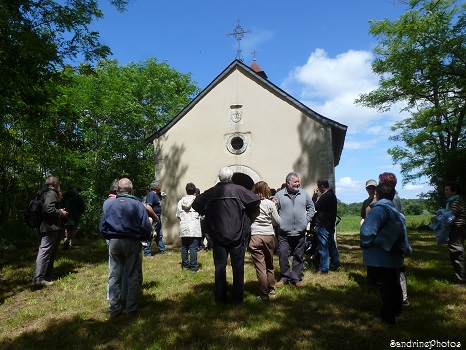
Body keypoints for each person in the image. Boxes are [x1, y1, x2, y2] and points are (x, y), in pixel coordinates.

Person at [192, 167, 260, 303]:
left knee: (220, 268)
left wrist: (207, 213)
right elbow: (256, 200)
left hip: (218, 236)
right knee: (238, 268)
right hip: (237, 235)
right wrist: (247, 217)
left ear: (220, 177)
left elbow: (196, 204)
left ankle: (220, 297)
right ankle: (238, 298)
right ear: (231, 178)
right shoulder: (239, 190)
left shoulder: (213, 191)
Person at [360, 182, 412, 325]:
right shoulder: (397, 213)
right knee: (394, 283)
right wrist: (406, 250)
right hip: (395, 256)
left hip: (381, 257)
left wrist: (367, 243)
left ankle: (388, 317)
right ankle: (397, 310)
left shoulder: (378, 210)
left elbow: (367, 232)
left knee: (385, 286)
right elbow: (404, 235)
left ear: (378, 195)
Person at [100, 178, 152, 319]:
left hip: (115, 242)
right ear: (131, 189)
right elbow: (146, 227)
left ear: (118, 190)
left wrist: (110, 237)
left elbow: (102, 227)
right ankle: (131, 310)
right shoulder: (137, 204)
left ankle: (114, 309)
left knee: (114, 275)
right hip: (132, 241)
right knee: (133, 276)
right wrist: (142, 238)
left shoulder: (110, 204)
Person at [274, 172, 315, 288]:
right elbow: (273, 210)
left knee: (298, 255)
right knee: (282, 254)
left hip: (300, 232)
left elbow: (311, 208)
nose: (298, 184)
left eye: (298, 181)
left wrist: (305, 221)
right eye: (295, 182)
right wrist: (280, 223)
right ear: (288, 183)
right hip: (284, 233)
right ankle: (285, 277)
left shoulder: (304, 194)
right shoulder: (279, 195)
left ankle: (296, 278)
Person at [33, 175, 68, 286]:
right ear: (55, 183)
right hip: (50, 227)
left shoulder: (43, 192)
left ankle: (47, 274)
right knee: (45, 251)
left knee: (50, 252)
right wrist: (61, 213)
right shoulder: (51, 193)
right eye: (58, 183)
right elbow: (48, 209)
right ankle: (38, 278)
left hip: (50, 226)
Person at [249, 181, 281, 300]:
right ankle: (271, 289)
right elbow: (277, 221)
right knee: (269, 264)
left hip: (256, 235)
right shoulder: (270, 204)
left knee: (260, 267)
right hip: (269, 235)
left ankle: (263, 294)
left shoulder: (252, 203)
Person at [312, 179, 341, 274]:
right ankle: (336, 264)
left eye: (319, 187)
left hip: (323, 225)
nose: (318, 189)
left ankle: (324, 268)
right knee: (332, 246)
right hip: (330, 225)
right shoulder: (332, 195)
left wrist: (315, 196)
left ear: (322, 186)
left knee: (323, 247)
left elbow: (315, 206)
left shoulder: (326, 196)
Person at [176, 183, 202, 273]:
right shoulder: (198, 201)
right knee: (193, 247)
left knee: (184, 246)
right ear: (195, 191)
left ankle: (185, 265)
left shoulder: (180, 202)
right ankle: (194, 267)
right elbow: (202, 215)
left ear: (186, 190)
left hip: (184, 226)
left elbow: (178, 215)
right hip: (194, 227)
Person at [443, 182, 466, 285]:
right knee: (456, 252)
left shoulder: (456, 201)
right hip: (457, 229)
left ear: (454, 191)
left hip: (458, 230)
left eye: (447, 190)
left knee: (456, 252)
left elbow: (449, 217)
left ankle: (462, 279)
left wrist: (438, 219)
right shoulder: (454, 201)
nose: (445, 191)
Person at [144, 180, 165, 257]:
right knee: (150, 235)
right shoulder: (151, 195)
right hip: (153, 218)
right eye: (160, 185)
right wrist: (155, 216)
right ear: (156, 187)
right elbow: (148, 207)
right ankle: (147, 253)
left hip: (157, 218)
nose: (161, 186)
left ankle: (162, 250)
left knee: (159, 235)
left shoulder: (156, 195)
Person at [62, 184, 86, 250]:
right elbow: (82, 207)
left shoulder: (64, 196)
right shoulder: (78, 196)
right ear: (74, 189)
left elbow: (60, 205)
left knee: (66, 229)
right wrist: (80, 212)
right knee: (73, 229)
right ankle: (70, 242)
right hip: (75, 216)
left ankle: (65, 240)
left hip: (65, 215)